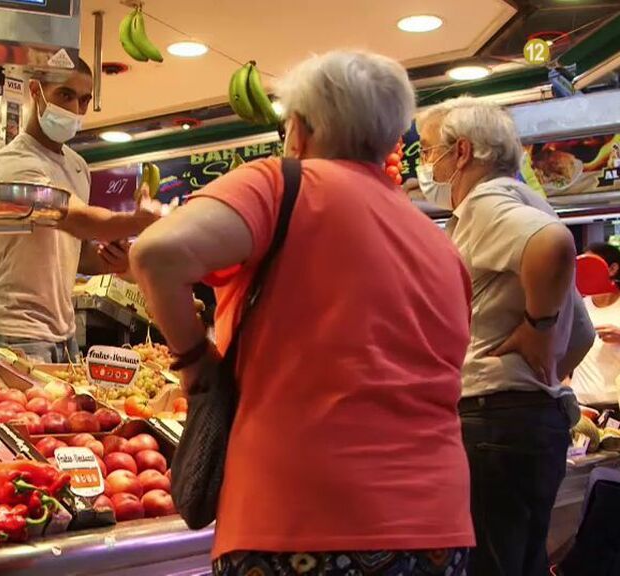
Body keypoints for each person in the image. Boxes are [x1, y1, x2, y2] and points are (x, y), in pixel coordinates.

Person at [131, 51, 474, 576]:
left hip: (298, 524)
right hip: (436, 530)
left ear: (298, 128)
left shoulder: (280, 184)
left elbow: (157, 254)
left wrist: (197, 364)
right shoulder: (441, 246)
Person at [416, 96, 595, 576]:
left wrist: (537, 330)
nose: (424, 163)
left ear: (462, 152)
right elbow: (580, 330)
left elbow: (553, 246)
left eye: (429, 149)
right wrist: (551, 354)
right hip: (528, 417)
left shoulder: (488, 203)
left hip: (495, 419)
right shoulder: (522, 198)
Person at [0, 59, 158, 362]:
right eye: (66, 95)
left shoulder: (77, 167)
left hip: (64, 336)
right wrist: (137, 221)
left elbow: (80, 252)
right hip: (16, 332)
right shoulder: (14, 163)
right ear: (36, 91)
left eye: (84, 100)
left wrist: (109, 261)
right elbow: (74, 219)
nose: (76, 109)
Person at [570, 242, 620, 410]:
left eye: (591, 264)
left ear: (612, 269)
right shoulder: (577, 306)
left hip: (616, 401)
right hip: (581, 403)